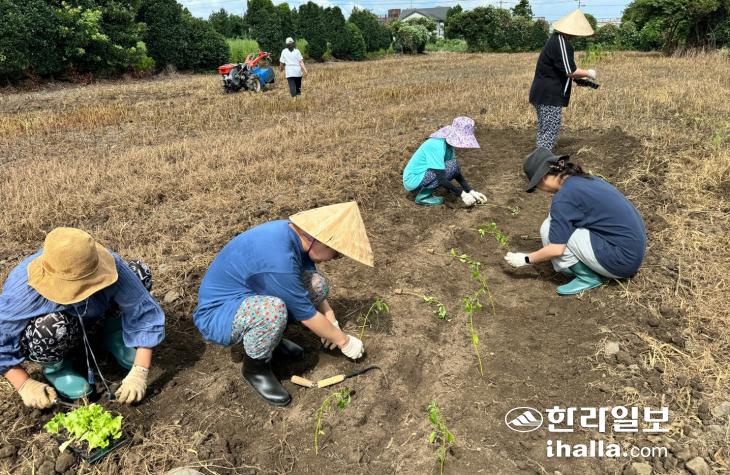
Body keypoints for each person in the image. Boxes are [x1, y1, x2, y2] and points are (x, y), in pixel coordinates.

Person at [193, 202, 373, 406]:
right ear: (323, 240)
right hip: (219, 313)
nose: (335, 258)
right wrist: (344, 341)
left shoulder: (296, 236)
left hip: (249, 294)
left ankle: (272, 341)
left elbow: (306, 292)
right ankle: (255, 369)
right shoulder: (280, 258)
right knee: (272, 311)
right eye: (337, 253)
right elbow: (307, 315)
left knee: (317, 284)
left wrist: (332, 322)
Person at [0, 228, 165, 409]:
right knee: (50, 325)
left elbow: (143, 311)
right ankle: (57, 368)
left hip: (98, 319)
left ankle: (114, 335)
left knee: (139, 273)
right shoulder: (24, 289)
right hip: (61, 333)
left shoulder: (106, 263)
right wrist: (24, 383)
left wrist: (140, 370)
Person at [504, 147, 647, 295]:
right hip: (633, 251)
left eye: (537, 185)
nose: (540, 190)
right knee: (554, 223)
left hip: (620, 262)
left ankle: (587, 277)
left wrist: (526, 259)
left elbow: (556, 249)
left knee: (548, 230)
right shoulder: (583, 179)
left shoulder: (564, 198)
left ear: (543, 178)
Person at [529, 9, 597, 151]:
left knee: (545, 128)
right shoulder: (561, 43)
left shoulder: (555, 40)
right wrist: (589, 73)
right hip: (549, 95)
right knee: (550, 129)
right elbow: (570, 71)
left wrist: (581, 79)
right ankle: (543, 158)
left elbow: (562, 69)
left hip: (542, 93)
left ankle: (540, 154)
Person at [402, 116, 488, 206]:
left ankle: (424, 191)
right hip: (413, 179)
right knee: (452, 167)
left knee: (454, 166)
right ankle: (423, 197)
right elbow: (441, 179)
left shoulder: (449, 145)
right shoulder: (437, 145)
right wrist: (462, 195)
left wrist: (470, 191)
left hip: (423, 175)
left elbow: (456, 172)